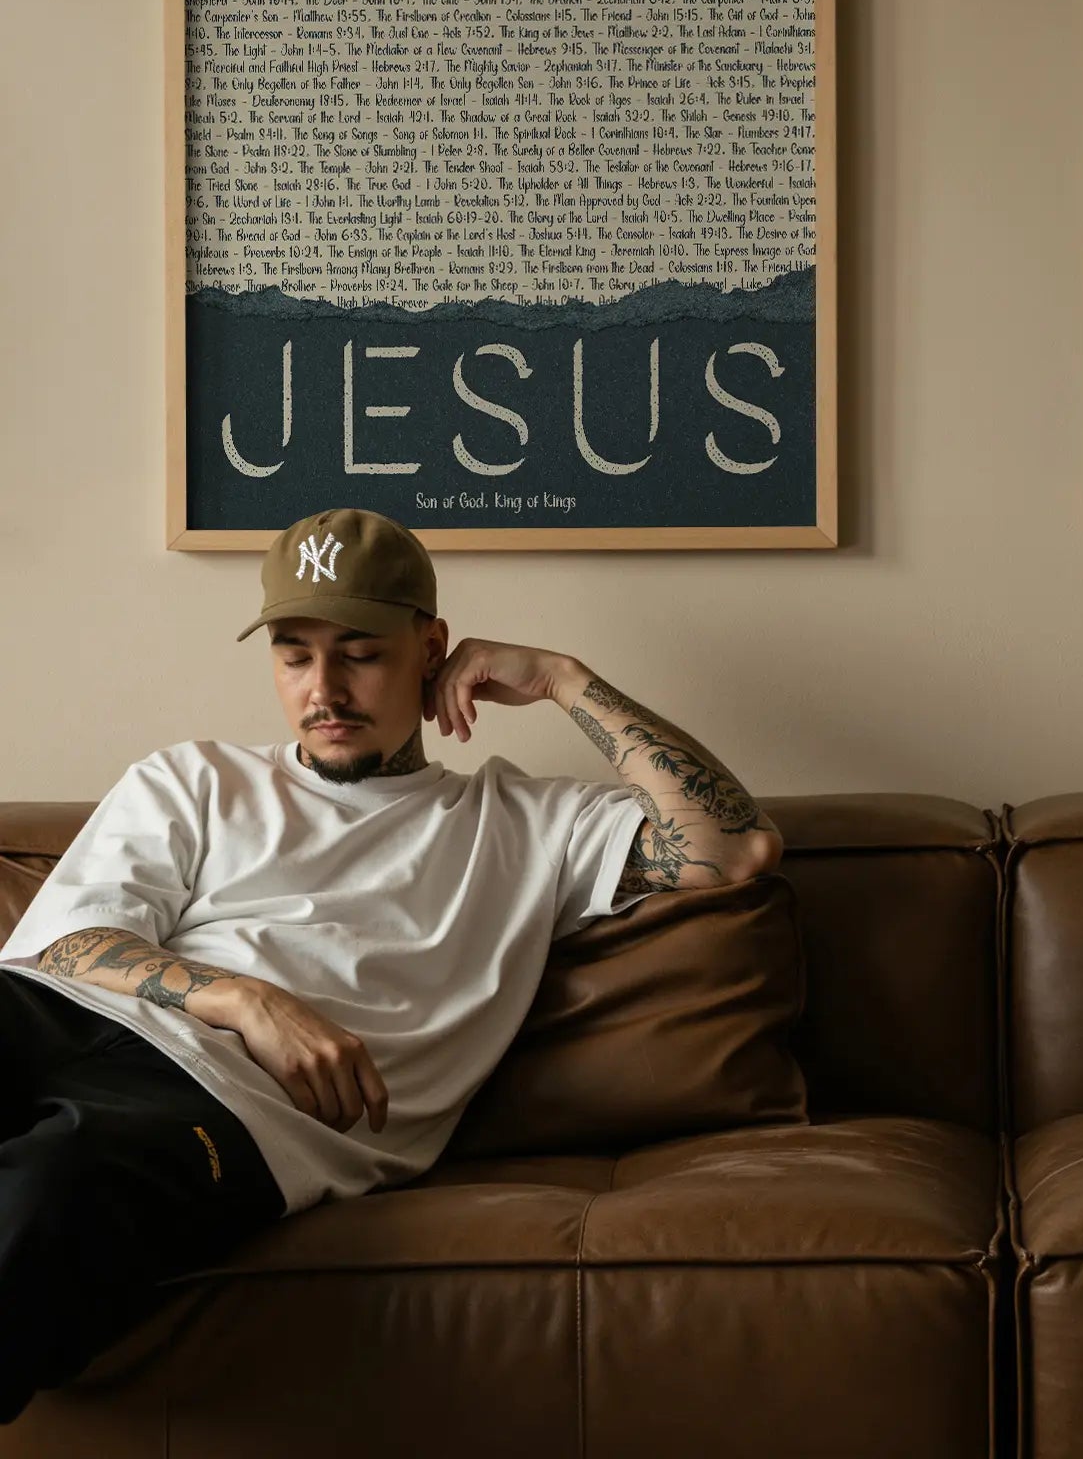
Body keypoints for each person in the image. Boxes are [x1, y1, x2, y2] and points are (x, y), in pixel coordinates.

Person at [0, 507, 779, 1422]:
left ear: (433, 650)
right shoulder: (194, 779)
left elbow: (732, 848)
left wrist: (567, 680)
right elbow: (61, 945)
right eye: (294, 654)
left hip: (224, 1112)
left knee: (52, 1194)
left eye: (359, 651)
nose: (322, 687)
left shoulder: (528, 825)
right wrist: (247, 998)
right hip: (67, 1015)